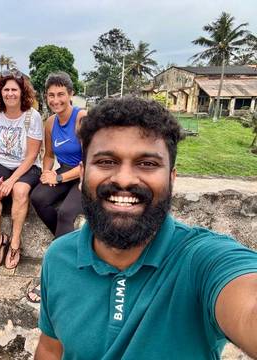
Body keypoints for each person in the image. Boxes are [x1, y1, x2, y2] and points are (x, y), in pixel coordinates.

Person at [35, 97, 257, 359]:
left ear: (171, 178)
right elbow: (50, 349)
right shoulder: (59, 257)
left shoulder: (202, 262)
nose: (124, 179)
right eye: (106, 161)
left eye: (148, 164)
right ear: (82, 174)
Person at [27, 72, 86, 302]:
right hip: (66, 171)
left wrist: (59, 179)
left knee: (65, 214)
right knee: (39, 198)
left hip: (86, 175)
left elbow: (90, 161)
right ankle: (69, 245)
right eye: (51, 95)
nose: (56, 100)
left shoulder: (82, 118)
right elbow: (49, 155)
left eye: (61, 94)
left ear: (71, 94)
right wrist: (47, 172)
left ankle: (49, 279)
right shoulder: (50, 122)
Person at [0, 70, 43, 269]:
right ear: (0, 93)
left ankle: (15, 242)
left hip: (26, 166)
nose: (10, 94)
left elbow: (31, 156)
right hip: (1, 163)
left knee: (20, 190)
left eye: (14, 89)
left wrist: (11, 181)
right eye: (6, 89)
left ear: (22, 92)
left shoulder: (32, 117)